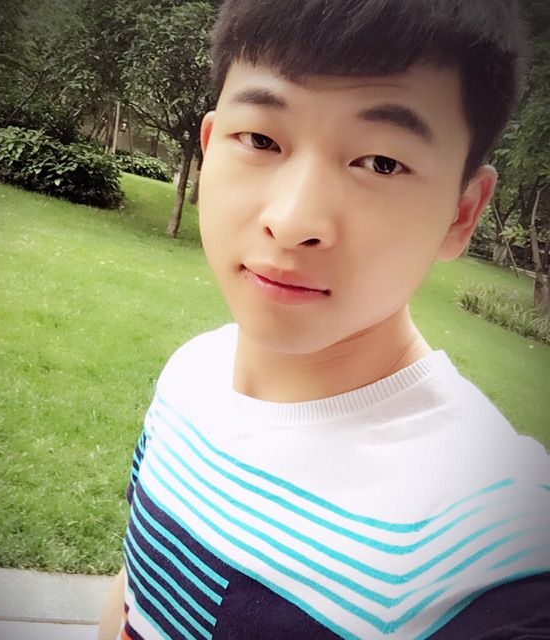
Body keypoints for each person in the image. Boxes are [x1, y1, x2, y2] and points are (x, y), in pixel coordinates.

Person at [99, 1, 550, 638]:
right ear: (208, 146)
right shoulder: (190, 376)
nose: (293, 221)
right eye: (261, 140)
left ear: (462, 213)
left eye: (382, 163)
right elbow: (132, 598)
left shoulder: (494, 546)